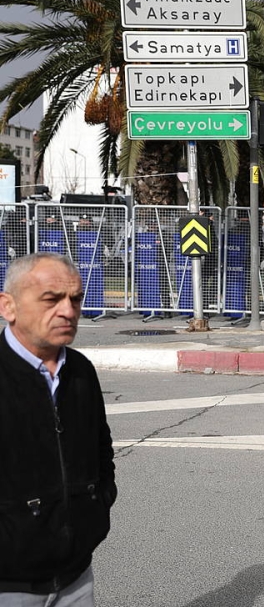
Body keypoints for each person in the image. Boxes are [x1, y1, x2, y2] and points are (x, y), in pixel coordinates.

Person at [0, 253, 116, 605]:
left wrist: (99, 503)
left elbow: (101, 449)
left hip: (75, 576)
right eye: (51, 299)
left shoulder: (80, 370)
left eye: (75, 299)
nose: (68, 311)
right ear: (9, 306)